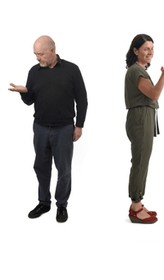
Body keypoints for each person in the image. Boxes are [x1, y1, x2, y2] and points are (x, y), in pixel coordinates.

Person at [8, 35, 88, 223]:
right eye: (35, 54)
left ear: (52, 51)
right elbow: (30, 101)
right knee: (41, 167)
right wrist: (24, 93)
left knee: (64, 170)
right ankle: (44, 202)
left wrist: (79, 126)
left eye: (41, 54)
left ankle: (61, 205)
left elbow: (82, 100)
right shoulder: (34, 71)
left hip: (64, 129)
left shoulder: (72, 69)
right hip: (41, 128)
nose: (38, 58)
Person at [124, 34, 164, 224]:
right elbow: (154, 95)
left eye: (152, 48)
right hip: (140, 119)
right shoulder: (136, 70)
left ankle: (137, 202)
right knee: (140, 161)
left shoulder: (139, 70)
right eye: (146, 48)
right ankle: (135, 207)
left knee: (141, 160)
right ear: (135, 51)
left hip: (142, 118)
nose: (150, 52)